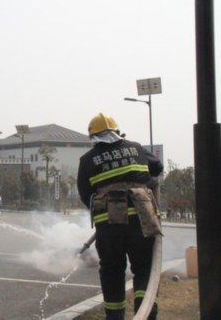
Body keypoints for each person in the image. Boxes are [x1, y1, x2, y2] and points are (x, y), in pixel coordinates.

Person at [77, 113, 163, 320]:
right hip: (141, 224)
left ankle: (115, 317)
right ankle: (146, 315)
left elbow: (85, 195)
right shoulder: (136, 148)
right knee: (144, 270)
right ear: (117, 132)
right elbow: (158, 168)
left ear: (93, 137)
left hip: (109, 228)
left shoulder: (88, 160)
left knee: (112, 272)